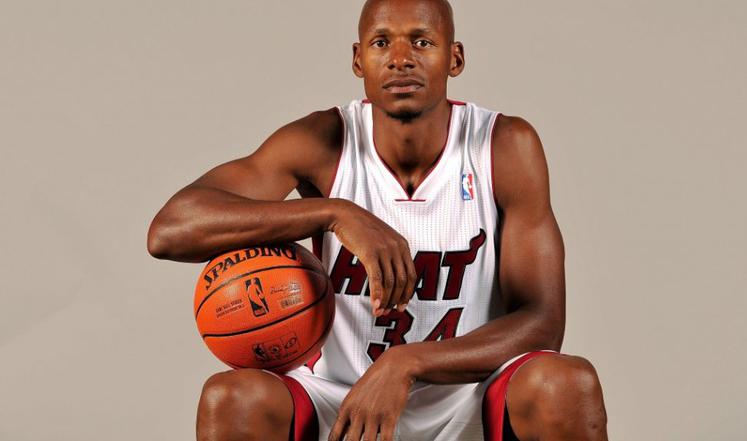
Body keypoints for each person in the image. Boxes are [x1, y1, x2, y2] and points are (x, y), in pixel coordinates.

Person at [147, 0, 609, 440]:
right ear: (358, 59)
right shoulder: (325, 141)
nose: (400, 59)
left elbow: (542, 323)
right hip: (340, 399)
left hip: (466, 397)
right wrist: (335, 213)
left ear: (455, 58)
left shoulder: (503, 146)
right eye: (382, 42)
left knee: (566, 384)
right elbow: (170, 231)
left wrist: (406, 363)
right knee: (231, 398)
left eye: (421, 42)